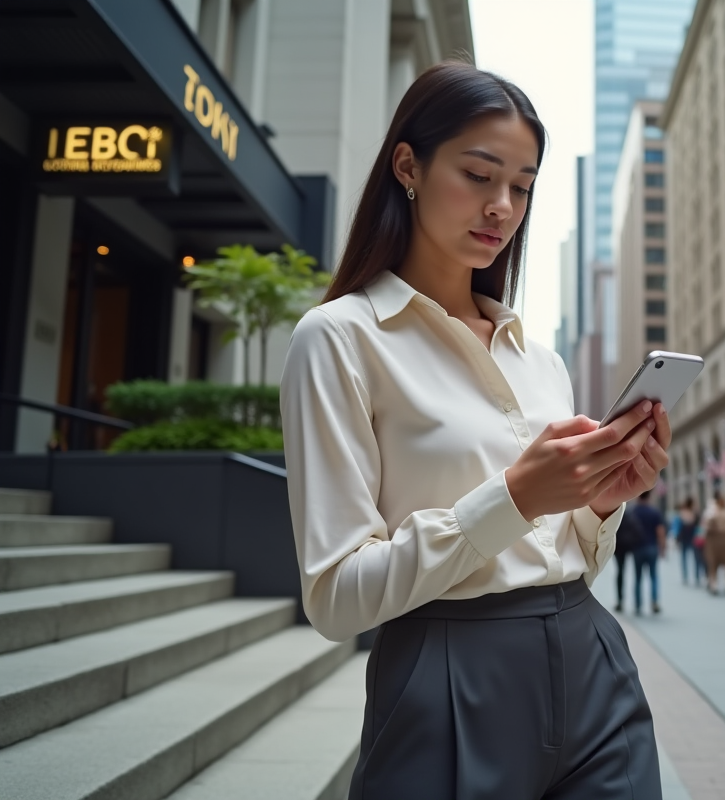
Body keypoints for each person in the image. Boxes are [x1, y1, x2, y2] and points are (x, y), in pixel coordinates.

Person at [279, 62, 672, 798]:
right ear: (408, 166)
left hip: (593, 659)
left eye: (521, 186)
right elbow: (336, 597)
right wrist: (515, 497)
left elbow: (573, 561)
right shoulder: (340, 338)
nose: (502, 206)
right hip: (447, 668)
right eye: (479, 175)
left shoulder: (538, 357)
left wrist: (599, 502)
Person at [627, 491, 667, 614]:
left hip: (637, 548)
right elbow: (660, 531)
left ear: (638, 496)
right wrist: (662, 548)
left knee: (638, 577)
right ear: (649, 497)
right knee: (653, 575)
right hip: (652, 547)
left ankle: (638, 605)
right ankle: (654, 601)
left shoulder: (633, 512)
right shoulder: (654, 512)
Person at [701, 492, 725, 595]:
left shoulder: (714, 511)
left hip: (715, 540)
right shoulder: (723, 512)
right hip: (720, 540)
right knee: (721, 563)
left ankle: (716, 584)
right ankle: (723, 583)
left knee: (714, 563)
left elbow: (705, 526)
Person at [612, 503, 643, 613]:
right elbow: (637, 530)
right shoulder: (631, 515)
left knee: (620, 572)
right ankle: (636, 602)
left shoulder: (615, 514)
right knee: (634, 573)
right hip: (629, 546)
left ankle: (620, 600)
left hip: (618, 547)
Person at [675, 497, 702, 585]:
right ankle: (697, 577)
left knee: (684, 558)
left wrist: (677, 538)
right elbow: (698, 526)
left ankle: (685, 577)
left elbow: (679, 527)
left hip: (684, 537)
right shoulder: (694, 513)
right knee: (696, 558)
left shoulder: (682, 513)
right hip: (693, 537)